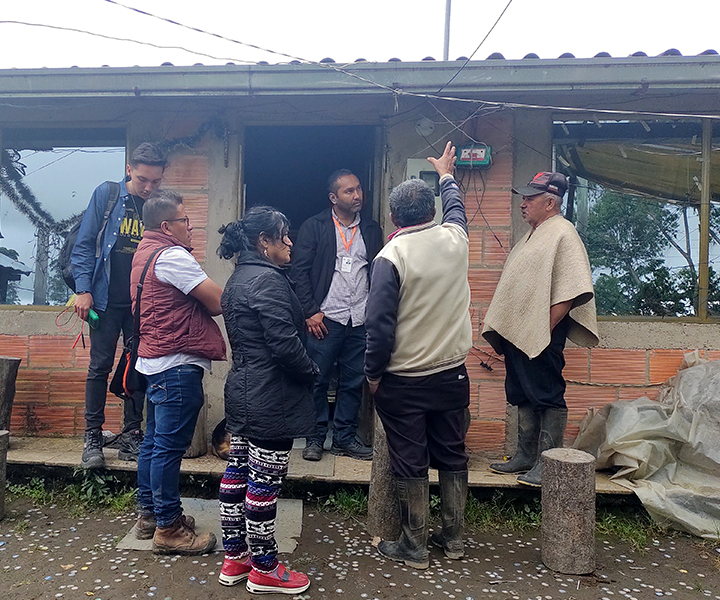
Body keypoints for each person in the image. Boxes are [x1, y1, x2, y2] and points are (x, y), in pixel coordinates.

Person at [365, 141, 473, 569]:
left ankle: (414, 546)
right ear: (430, 212)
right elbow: (457, 209)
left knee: (410, 459)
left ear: (393, 218)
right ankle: (455, 537)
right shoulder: (455, 239)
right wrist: (446, 175)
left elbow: (378, 327)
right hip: (452, 373)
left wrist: (373, 375)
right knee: (453, 451)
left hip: (404, 380)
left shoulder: (390, 256)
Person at [216, 206, 317, 594]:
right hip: (271, 395)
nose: (289, 241)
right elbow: (284, 346)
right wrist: (311, 372)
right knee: (265, 483)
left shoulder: (238, 280)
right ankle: (264, 568)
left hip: (243, 391)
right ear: (264, 242)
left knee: (238, 472)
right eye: (283, 235)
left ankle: (235, 557)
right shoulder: (268, 282)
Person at [482, 171, 599, 487]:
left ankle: (548, 463)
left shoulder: (563, 233)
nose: (523, 204)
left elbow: (572, 290)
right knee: (522, 392)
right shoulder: (534, 234)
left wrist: (543, 329)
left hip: (543, 333)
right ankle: (525, 456)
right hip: (520, 334)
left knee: (547, 394)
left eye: (530, 198)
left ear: (550, 202)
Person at [132, 190, 226, 555]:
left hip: (155, 361)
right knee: (169, 448)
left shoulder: (144, 252)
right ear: (167, 226)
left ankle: (150, 516)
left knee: (154, 443)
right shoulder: (172, 255)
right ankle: (169, 529)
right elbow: (217, 301)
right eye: (186, 221)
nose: (192, 228)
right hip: (176, 364)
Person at [71, 142, 167, 469]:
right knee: (99, 366)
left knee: (139, 367)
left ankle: (131, 433)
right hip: (105, 299)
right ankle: (92, 436)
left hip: (142, 304)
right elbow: (84, 245)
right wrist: (83, 290)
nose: (148, 187)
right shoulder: (107, 195)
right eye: (142, 180)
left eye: (155, 182)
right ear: (129, 169)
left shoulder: (159, 206)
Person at [291, 169, 383, 462]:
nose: (358, 196)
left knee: (354, 380)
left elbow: (378, 271)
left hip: (359, 319)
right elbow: (299, 272)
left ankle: (344, 438)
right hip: (325, 319)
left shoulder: (370, 228)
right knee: (316, 380)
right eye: (349, 191)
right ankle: (315, 437)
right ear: (333, 198)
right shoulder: (314, 226)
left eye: (358, 189)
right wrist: (310, 312)